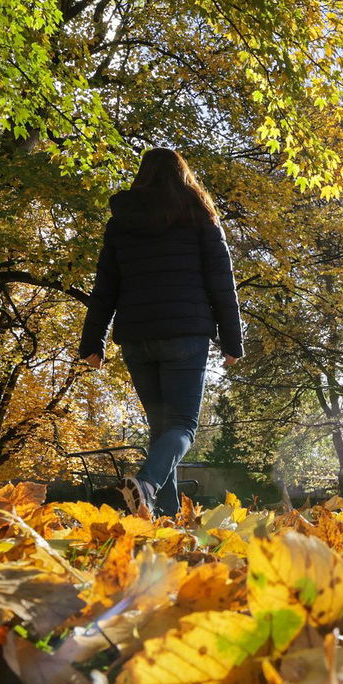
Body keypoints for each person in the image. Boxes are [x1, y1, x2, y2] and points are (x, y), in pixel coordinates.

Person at [78, 147, 243, 518]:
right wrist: (232, 341)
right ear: (183, 176)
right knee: (182, 426)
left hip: (137, 337)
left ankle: (164, 519)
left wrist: (93, 341)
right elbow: (222, 283)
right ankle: (148, 484)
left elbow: (105, 285)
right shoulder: (200, 216)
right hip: (186, 335)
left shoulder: (122, 222)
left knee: (161, 433)